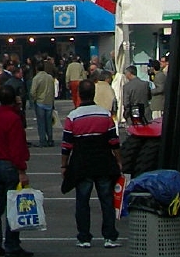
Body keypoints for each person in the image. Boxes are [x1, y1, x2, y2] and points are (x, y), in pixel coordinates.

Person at [61, 76, 121, 249]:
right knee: (106, 201)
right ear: (94, 93)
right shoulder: (105, 115)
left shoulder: (72, 117)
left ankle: (84, 237)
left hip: (81, 164)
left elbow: (66, 145)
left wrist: (64, 165)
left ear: (79, 94)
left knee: (82, 201)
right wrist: (119, 161)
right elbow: (114, 141)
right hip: (103, 162)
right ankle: (109, 237)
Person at [0, 84, 32, 257]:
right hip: (10, 165)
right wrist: (22, 169)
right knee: (13, 207)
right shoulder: (14, 119)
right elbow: (17, 147)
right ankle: (12, 244)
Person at [30, 59, 58, 147]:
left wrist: (34, 99)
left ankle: (43, 140)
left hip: (40, 102)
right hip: (49, 101)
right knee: (49, 122)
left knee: (41, 122)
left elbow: (32, 91)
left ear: (36, 69)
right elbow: (53, 90)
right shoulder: (49, 77)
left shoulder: (36, 78)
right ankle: (50, 139)